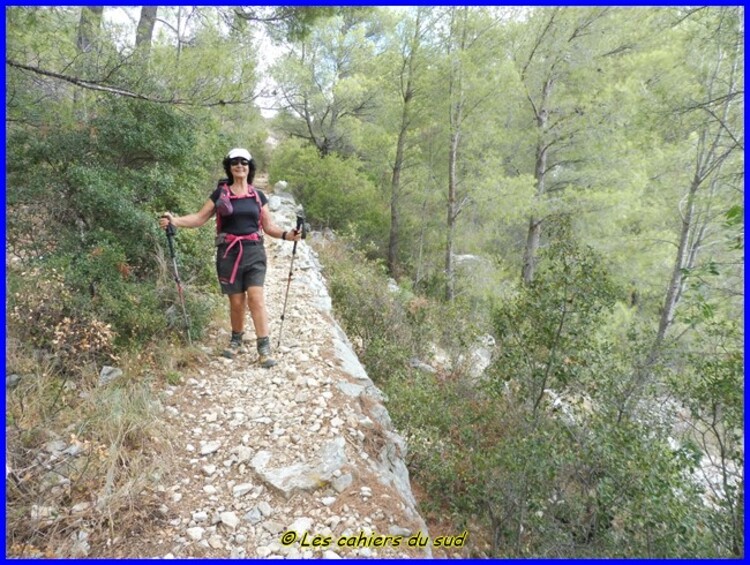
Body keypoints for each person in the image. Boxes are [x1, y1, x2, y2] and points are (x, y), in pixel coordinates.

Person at [159, 148, 300, 368]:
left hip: (254, 251)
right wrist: (174, 221)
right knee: (236, 302)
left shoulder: (258, 195)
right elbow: (199, 218)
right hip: (228, 252)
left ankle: (264, 348)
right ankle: (236, 339)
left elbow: (268, 226)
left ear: (249, 167)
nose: (239, 165)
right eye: (235, 162)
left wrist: (287, 235)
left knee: (256, 298)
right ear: (229, 166)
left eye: (244, 162)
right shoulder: (220, 194)